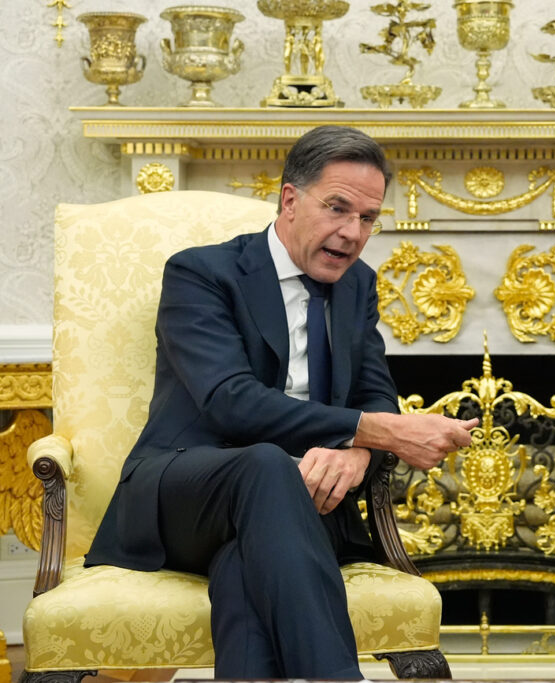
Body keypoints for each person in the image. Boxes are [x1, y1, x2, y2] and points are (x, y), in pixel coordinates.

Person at [85, 125, 478, 679]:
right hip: (185, 496)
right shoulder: (202, 273)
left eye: (368, 218)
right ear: (290, 200)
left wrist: (359, 454)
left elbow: (375, 392)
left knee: (244, 569)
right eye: (337, 208)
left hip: (304, 503)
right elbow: (230, 401)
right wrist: (381, 432)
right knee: (266, 464)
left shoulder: (358, 284)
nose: (353, 232)